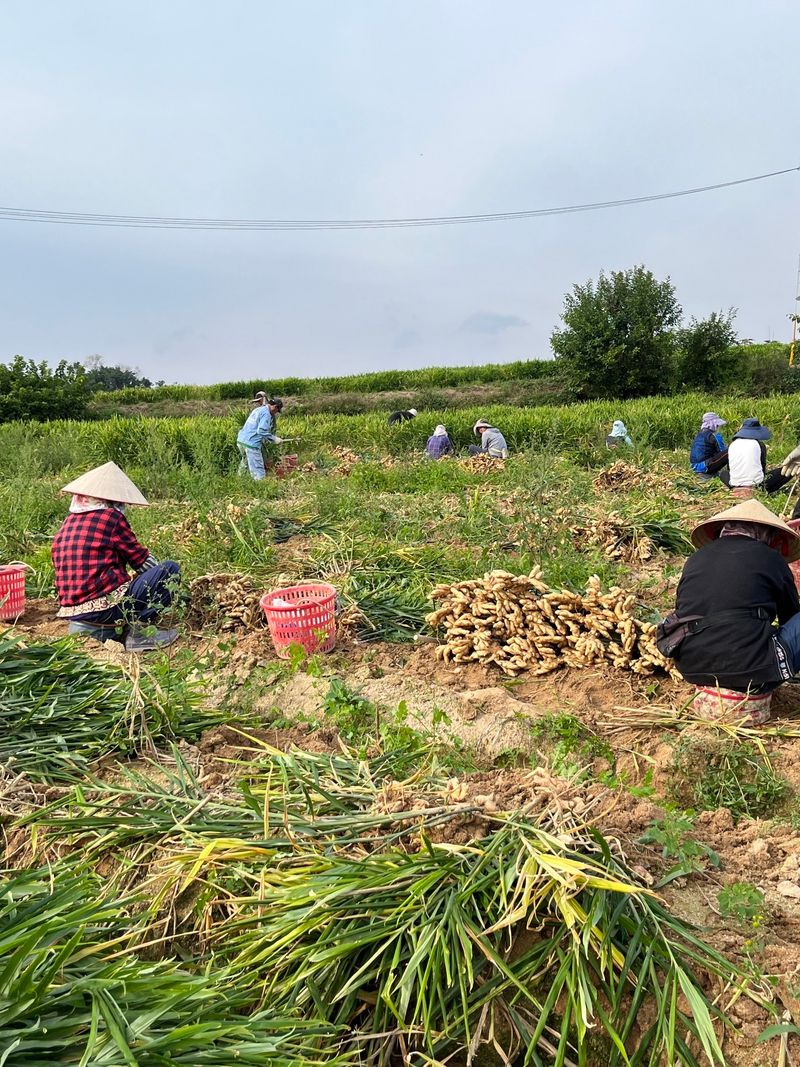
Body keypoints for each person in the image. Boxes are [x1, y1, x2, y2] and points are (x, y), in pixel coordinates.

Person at [665, 499, 800, 699]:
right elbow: (790, 616)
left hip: (691, 668)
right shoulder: (771, 558)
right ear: (764, 533)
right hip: (752, 674)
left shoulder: (696, 558)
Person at [51, 462, 180, 652]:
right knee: (169, 570)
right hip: (106, 612)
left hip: (74, 615)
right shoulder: (110, 518)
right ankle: (140, 633)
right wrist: (171, 585)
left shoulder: (68, 523)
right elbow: (141, 561)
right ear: (110, 501)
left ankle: (121, 628)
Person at [237, 395, 284, 480]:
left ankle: (239, 482)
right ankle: (260, 488)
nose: (276, 413)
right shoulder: (266, 414)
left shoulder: (258, 410)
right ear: (275, 407)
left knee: (245, 464)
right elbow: (261, 431)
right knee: (258, 470)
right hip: (251, 443)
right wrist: (274, 439)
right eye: (277, 410)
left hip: (241, 441)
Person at [726, 418, 771, 492]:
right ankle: (762, 490)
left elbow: (729, 468)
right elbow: (763, 465)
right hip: (756, 484)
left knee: (723, 474)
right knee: (783, 472)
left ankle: (735, 488)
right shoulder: (759, 444)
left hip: (735, 483)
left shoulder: (732, 444)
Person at [689, 411, 729, 483]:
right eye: (717, 425)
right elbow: (722, 451)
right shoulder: (714, 435)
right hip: (704, 466)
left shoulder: (699, 435)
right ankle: (733, 475)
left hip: (694, 466)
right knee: (729, 452)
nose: (718, 427)